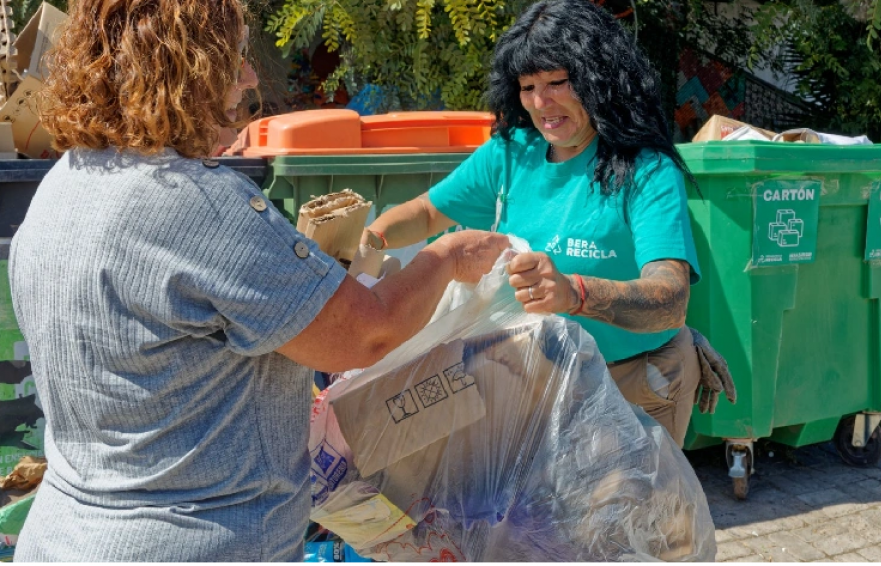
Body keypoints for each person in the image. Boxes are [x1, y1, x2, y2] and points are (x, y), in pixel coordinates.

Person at [8, 0, 507, 561]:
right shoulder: (197, 202)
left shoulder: (60, 187)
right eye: (237, 57)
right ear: (188, 69)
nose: (247, 78)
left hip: (62, 538)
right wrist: (443, 258)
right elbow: (368, 334)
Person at [356, 0, 734, 447]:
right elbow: (425, 213)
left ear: (601, 80)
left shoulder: (647, 171)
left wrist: (574, 292)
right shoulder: (511, 153)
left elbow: (670, 298)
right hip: (533, 379)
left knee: (621, 515)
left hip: (635, 382)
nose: (540, 103)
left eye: (557, 82)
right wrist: (370, 239)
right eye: (527, 86)